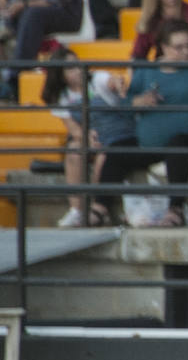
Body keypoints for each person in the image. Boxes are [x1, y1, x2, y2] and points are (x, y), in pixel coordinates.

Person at [94, 20, 188, 227]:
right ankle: (99, 209)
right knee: (116, 151)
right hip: (150, 143)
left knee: (178, 146)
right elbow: (126, 104)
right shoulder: (147, 71)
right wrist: (137, 102)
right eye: (179, 47)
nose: (186, 52)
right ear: (164, 48)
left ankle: (176, 209)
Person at [43, 47, 128, 228]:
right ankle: (77, 210)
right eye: (70, 68)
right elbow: (73, 128)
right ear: (60, 75)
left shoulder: (96, 79)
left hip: (115, 134)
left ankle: (97, 209)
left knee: (103, 158)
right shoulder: (60, 96)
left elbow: (110, 80)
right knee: (74, 152)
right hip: (89, 136)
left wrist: (117, 82)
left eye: (77, 64)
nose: (77, 70)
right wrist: (87, 137)